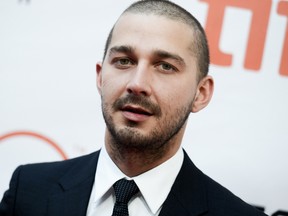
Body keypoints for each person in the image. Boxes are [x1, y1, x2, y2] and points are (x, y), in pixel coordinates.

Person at [0, 0, 267, 216]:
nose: (137, 84)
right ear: (100, 76)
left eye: (165, 66)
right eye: (124, 61)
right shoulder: (28, 190)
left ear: (201, 93)